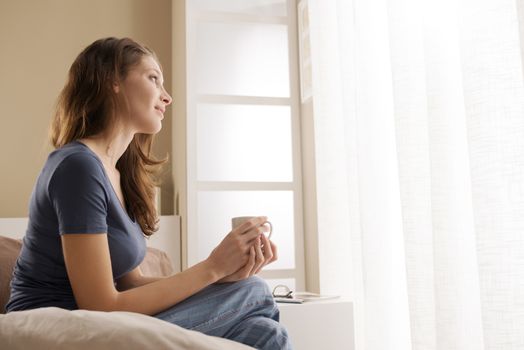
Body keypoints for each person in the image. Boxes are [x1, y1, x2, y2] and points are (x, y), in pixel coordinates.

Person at [5, 37, 292, 350]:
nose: (166, 97)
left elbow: (133, 284)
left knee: (266, 332)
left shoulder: (117, 173)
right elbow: (99, 303)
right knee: (253, 292)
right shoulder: (77, 166)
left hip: (99, 323)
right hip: (59, 328)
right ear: (112, 80)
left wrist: (223, 275)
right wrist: (212, 267)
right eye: (154, 79)